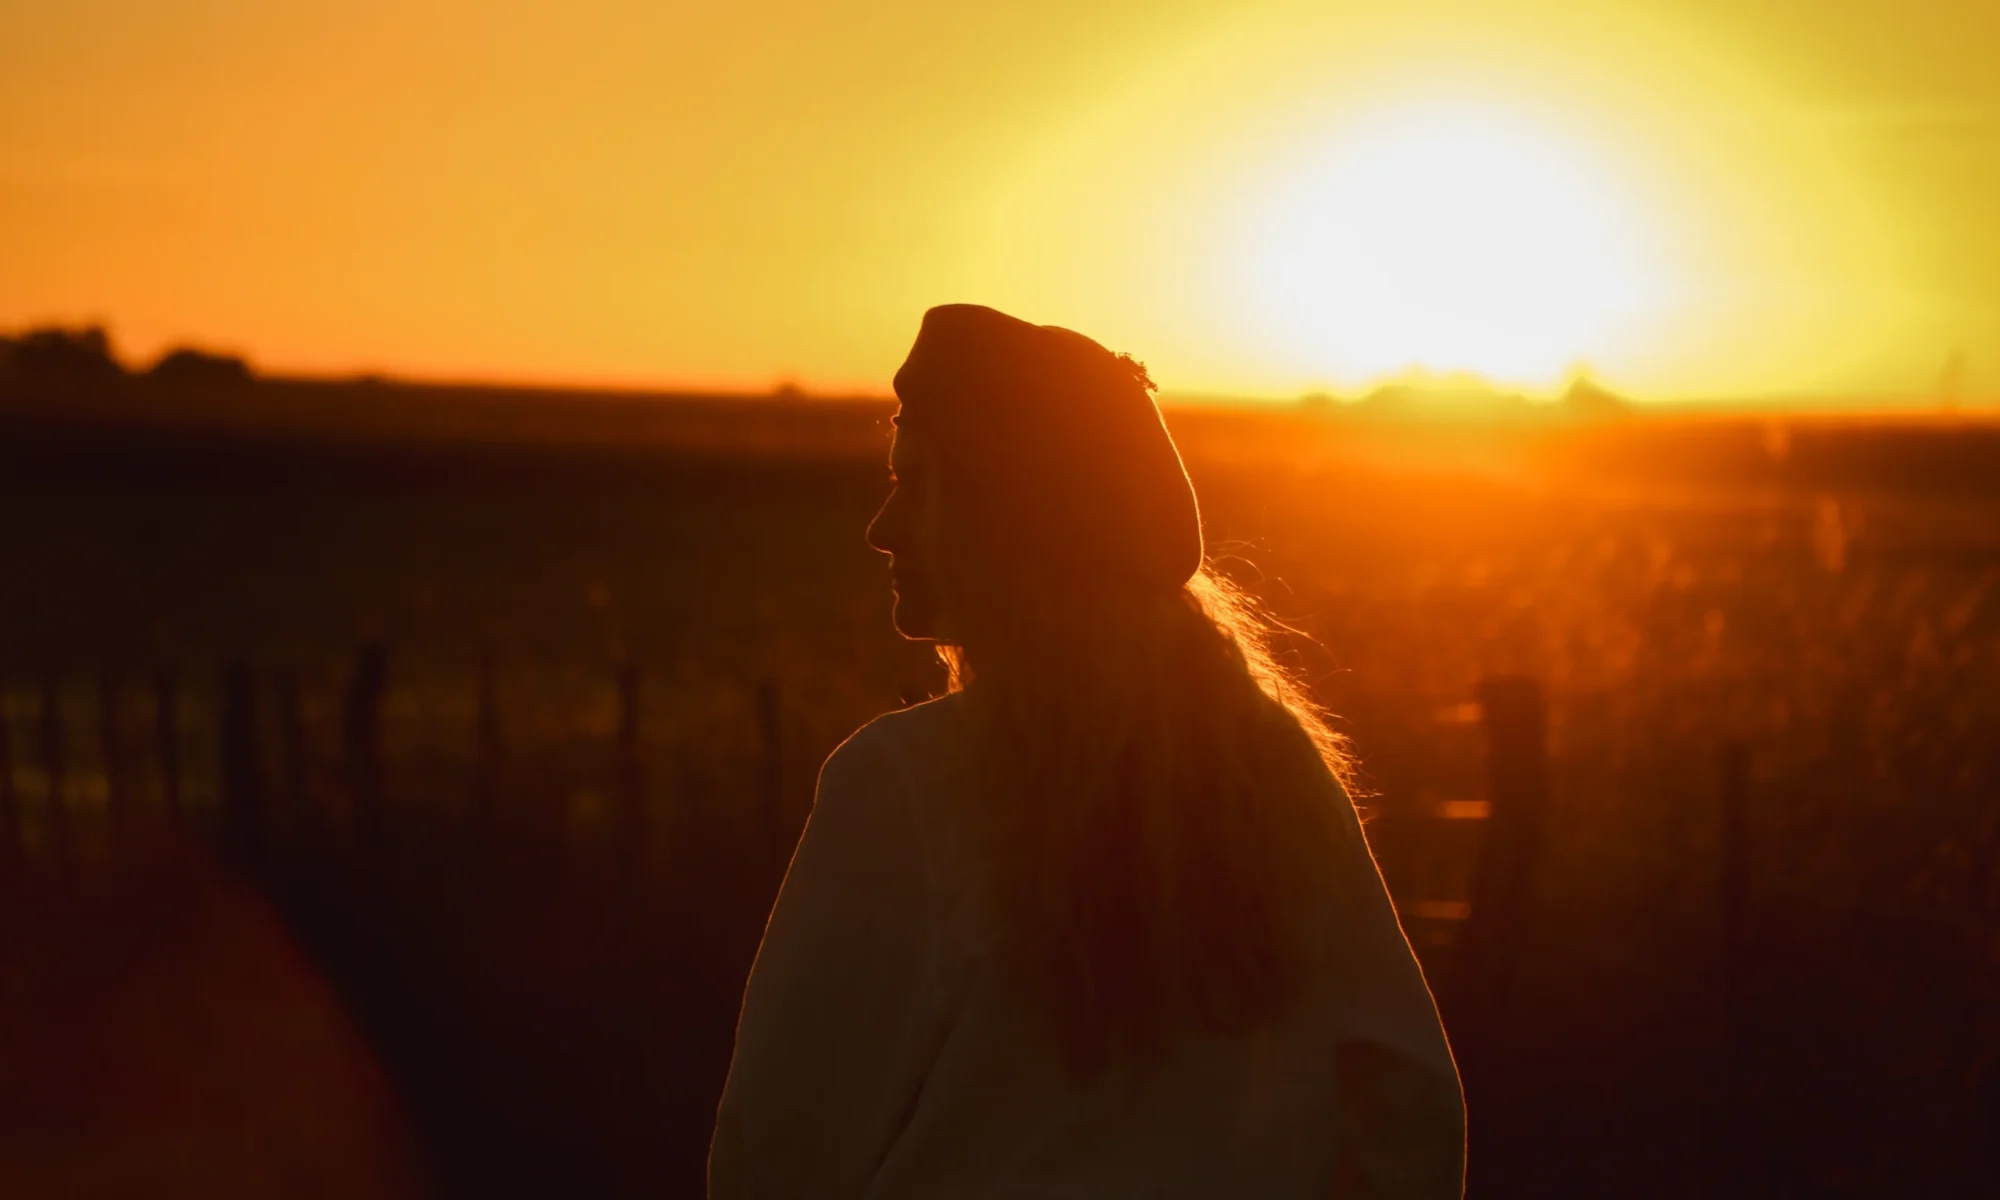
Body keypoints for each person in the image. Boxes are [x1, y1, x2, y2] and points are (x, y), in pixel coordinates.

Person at [709, 304, 1464, 1198]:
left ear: (1006, 515)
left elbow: (782, 1149)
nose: (881, 527)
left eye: (918, 486)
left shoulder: (903, 785)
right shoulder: (1272, 773)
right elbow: (1408, 1110)